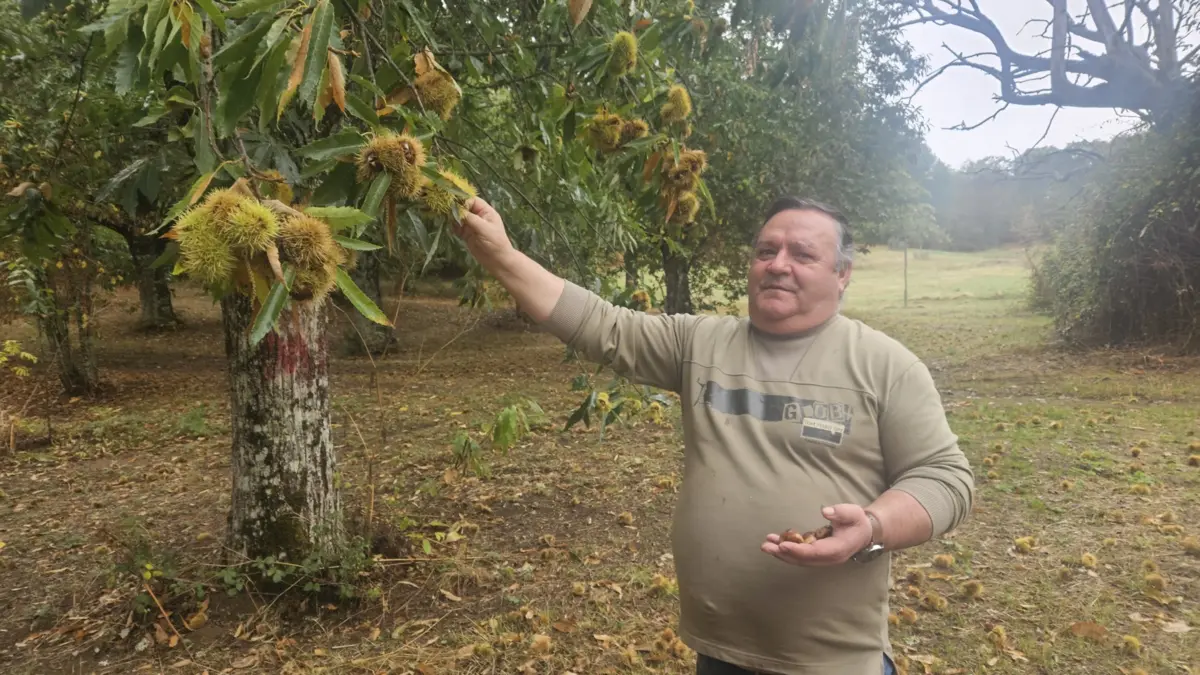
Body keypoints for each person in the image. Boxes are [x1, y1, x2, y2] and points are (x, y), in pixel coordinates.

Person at [452, 195, 975, 675]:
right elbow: (599, 325)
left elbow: (946, 479)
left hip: (830, 659)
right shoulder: (700, 343)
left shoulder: (885, 366)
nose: (777, 264)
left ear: (843, 274)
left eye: (802, 254)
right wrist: (500, 255)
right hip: (719, 649)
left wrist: (873, 527)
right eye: (766, 250)